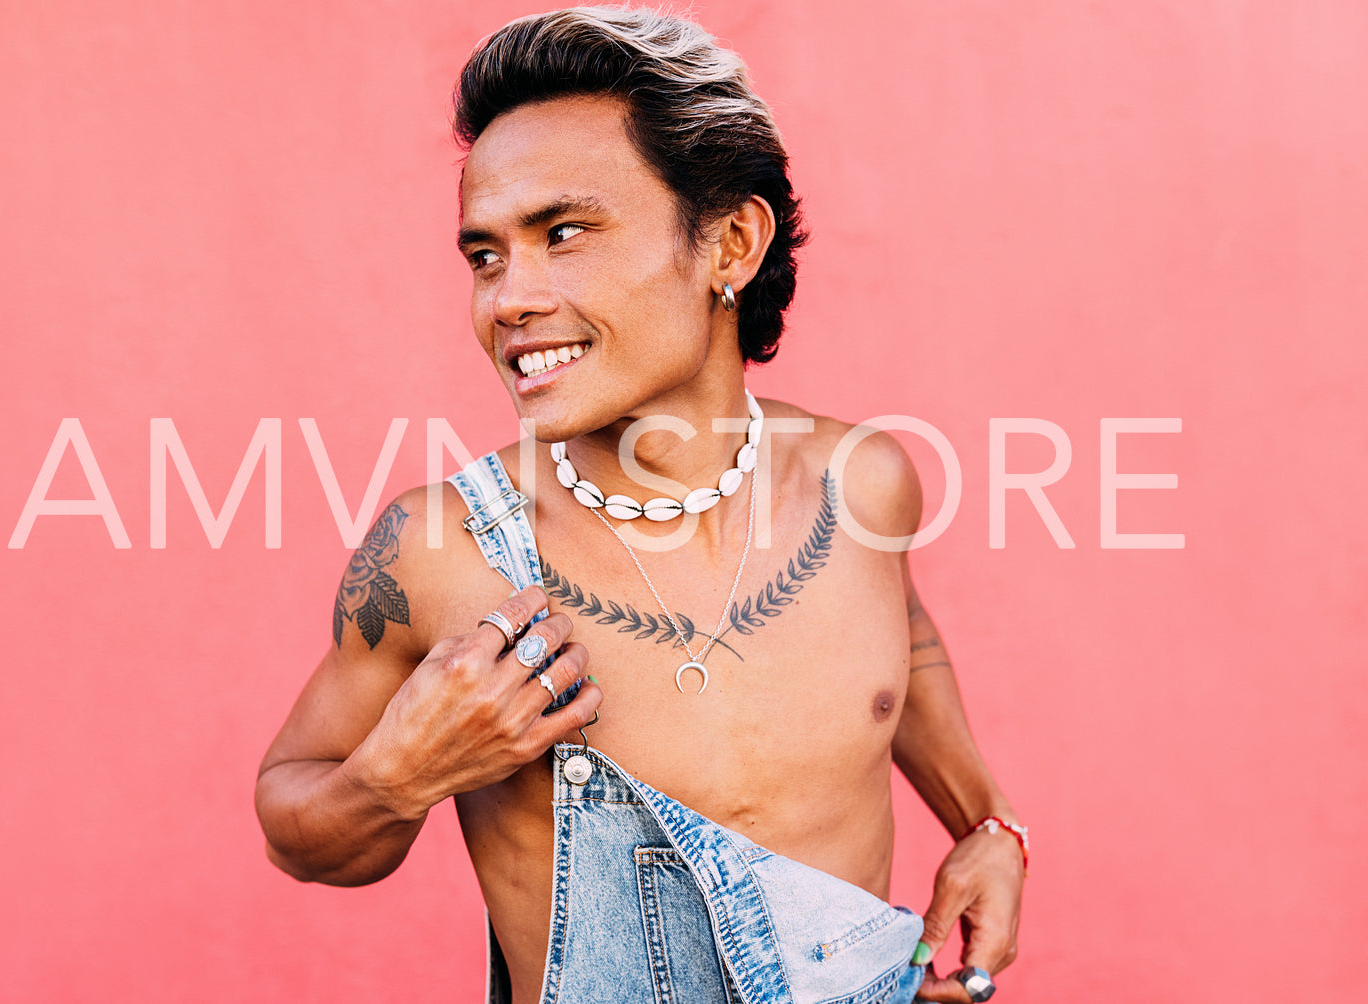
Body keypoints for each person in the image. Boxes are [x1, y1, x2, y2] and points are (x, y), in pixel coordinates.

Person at [255, 8, 1025, 1002]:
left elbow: (900, 647)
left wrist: (985, 823)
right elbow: (292, 815)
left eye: (562, 233)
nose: (505, 301)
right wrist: (401, 774)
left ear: (729, 243)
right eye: (484, 255)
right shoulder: (443, 550)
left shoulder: (859, 480)